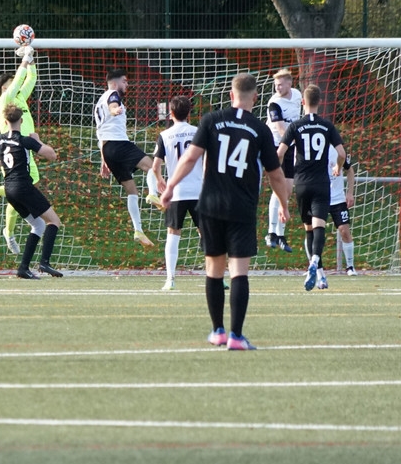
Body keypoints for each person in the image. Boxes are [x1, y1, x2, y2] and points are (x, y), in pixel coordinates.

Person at [160, 73, 290, 351]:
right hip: (242, 207)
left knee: (214, 270)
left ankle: (218, 331)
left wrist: (170, 186)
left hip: (210, 205)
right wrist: (284, 204)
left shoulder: (211, 120)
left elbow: (191, 157)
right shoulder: (260, 129)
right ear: (255, 98)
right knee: (239, 271)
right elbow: (276, 175)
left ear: (231, 95)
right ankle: (236, 336)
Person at [276, 85, 345, 291]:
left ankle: (321, 276)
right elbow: (341, 154)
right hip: (321, 183)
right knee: (319, 226)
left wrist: (277, 174)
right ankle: (315, 262)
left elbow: (280, 153)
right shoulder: (327, 126)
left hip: (302, 183)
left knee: (308, 229)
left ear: (302, 102)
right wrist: (338, 166)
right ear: (319, 102)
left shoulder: (295, 126)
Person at [0, 104, 63, 279]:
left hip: (9, 190)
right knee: (54, 221)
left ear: (5, 122)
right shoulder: (25, 140)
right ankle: (45, 263)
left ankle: (23, 268)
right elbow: (52, 155)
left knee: (38, 225)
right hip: (23, 187)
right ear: (21, 120)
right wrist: (38, 140)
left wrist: (6, 162)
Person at [94, 67, 161, 247]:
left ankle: (138, 230)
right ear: (115, 83)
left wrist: (103, 160)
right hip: (119, 144)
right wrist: (115, 110)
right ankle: (153, 194)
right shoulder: (112, 95)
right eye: (124, 81)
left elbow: (101, 132)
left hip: (108, 150)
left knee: (132, 190)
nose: (127, 84)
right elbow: (113, 105)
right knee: (152, 166)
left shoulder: (99, 102)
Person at [0, 44, 39, 255]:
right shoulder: (4, 100)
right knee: (20, 191)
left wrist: (30, 58)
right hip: (11, 150)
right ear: (3, 90)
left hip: (26, 150)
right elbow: (18, 82)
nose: (13, 87)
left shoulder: (19, 98)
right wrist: (24, 59)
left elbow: (30, 79)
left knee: (28, 186)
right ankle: (8, 231)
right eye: (8, 85)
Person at [151, 95, 204, 291]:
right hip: (198, 190)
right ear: (189, 112)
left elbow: (155, 166)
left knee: (173, 233)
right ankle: (217, 276)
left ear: (171, 113)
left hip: (177, 191)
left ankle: (170, 279)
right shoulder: (198, 132)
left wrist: (160, 180)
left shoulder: (165, 135)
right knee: (206, 232)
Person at [264, 68, 302, 253]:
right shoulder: (274, 103)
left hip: (290, 147)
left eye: (280, 85)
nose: (277, 88)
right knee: (278, 187)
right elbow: (280, 129)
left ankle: (281, 234)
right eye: (275, 85)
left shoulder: (297, 95)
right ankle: (271, 232)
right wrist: (298, 140)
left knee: (287, 190)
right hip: (275, 146)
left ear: (289, 84)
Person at [326, 145, 357, 279]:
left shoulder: (337, 151)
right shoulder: (312, 151)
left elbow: (350, 170)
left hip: (337, 199)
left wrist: (350, 193)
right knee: (313, 230)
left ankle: (350, 266)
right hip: (319, 198)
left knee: (344, 231)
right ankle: (313, 266)